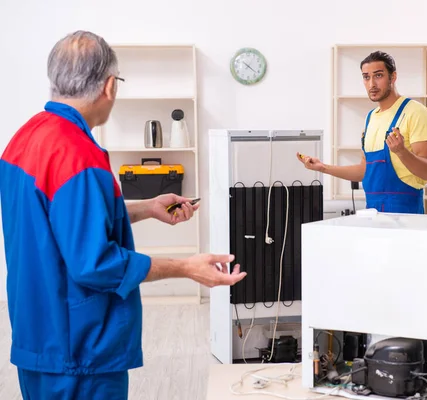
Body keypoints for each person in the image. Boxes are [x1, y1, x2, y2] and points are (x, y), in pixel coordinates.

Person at [0, 30, 246, 399]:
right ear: (110, 86)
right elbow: (94, 264)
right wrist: (185, 267)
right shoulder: (78, 155)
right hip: (80, 352)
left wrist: (145, 208)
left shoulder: (25, 139)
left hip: (38, 336)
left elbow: (60, 224)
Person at [298, 51, 427, 214]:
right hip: (372, 211)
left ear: (393, 77)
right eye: (366, 77)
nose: (372, 84)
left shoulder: (415, 112)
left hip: (405, 212)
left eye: (378, 76)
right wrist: (323, 168)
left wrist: (402, 152)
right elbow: (364, 170)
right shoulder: (371, 118)